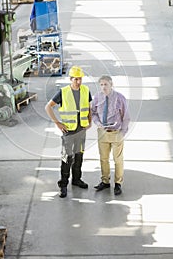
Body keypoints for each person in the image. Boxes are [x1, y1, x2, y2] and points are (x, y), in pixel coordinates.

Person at [45, 66, 92, 198]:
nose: (78, 81)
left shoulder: (86, 90)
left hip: (81, 128)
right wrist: (57, 123)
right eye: (76, 79)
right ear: (71, 79)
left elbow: (89, 107)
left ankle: (76, 180)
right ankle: (63, 184)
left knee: (79, 156)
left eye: (80, 79)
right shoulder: (63, 92)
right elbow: (48, 107)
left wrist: (90, 120)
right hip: (69, 130)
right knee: (67, 158)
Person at [91, 75, 130, 195]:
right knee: (103, 158)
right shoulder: (97, 98)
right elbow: (93, 113)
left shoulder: (120, 98)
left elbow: (126, 117)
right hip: (102, 133)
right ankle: (105, 181)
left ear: (111, 84)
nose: (103, 87)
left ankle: (118, 183)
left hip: (116, 132)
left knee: (118, 160)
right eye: (101, 85)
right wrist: (98, 123)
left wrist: (122, 133)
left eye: (106, 84)